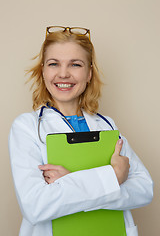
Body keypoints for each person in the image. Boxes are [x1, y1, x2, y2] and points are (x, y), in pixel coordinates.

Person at [9, 26, 153, 236]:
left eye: (75, 64)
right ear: (43, 71)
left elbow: (144, 189)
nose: (64, 73)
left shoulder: (107, 125)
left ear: (89, 74)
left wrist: (71, 180)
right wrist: (112, 176)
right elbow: (36, 206)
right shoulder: (26, 127)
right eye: (54, 64)